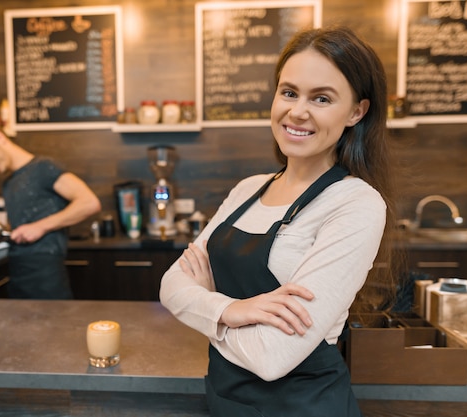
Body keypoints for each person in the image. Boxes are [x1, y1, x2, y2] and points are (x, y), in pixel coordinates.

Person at [160, 26, 397, 416]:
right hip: (224, 400)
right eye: (289, 92)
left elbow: (272, 356)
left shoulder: (355, 203)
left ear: (357, 111)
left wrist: (204, 309)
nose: (297, 111)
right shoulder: (246, 190)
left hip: (304, 407)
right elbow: (171, 284)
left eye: (321, 98)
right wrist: (232, 311)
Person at [0, 122, 101, 299]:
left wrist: (40, 227)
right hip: (17, 270)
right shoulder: (8, 182)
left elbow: (89, 202)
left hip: (46, 273)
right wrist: (0, 227)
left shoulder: (43, 167)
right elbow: (24, 225)